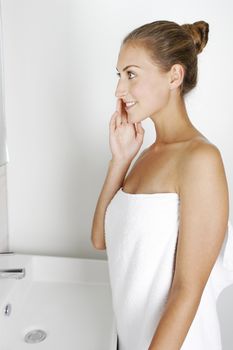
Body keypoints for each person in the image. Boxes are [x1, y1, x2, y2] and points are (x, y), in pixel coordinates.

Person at [91, 20, 233, 349]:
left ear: (174, 76)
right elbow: (101, 238)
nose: (119, 91)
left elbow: (187, 292)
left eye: (131, 74)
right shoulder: (144, 157)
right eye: (119, 75)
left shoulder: (201, 160)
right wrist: (121, 160)